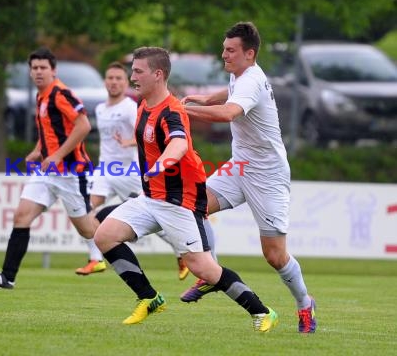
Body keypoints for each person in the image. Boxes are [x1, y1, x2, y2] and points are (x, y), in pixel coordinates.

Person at [94, 46, 278, 332]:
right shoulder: (144, 105)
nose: (132, 77)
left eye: (138, 71)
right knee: (104, 235)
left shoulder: (172, 111)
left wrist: (162, 163)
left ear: (158, 75)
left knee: (204, 269)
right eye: (133, 70)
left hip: (178, 202)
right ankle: (149, 298)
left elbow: (178, 143)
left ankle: (263, 311)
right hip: (151, 197)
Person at [180, 21, 317, 334]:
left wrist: (183, 109)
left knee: (274, 255)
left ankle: (304, 303)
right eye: (224, 48)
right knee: (192, 205)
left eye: (230, 50)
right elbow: (230, 94)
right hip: (239, 167)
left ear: (249, 53)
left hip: (267, 176)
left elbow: (230, 112)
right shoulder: (240, 75)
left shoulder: (252, 80)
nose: (224, 54)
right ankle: (210, 274)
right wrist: (205, 98)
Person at [0, 47, 96, 289]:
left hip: (71, 173)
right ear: (30, 72)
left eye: (44, 68)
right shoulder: (41, 95)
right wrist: (39, 150)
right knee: (21, 216)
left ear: (54, 71)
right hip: (47, 172)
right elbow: (51, 131)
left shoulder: (61, 94)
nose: (39, 72)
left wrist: (58, 155)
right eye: (35, 68)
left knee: (88, 230)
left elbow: (83, 126)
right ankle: (7, 277)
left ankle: (122, 226)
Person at [76, 61, 189, 280]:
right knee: (85, 209)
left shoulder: (130, 107)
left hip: (129, 172)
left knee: (154, 215)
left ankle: (181, 251)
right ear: (105, 81)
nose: (114, 82)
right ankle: (95, 260)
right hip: (106, 171)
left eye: (119, 78)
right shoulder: (100, 108)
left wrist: (129, 143)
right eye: (110, 78)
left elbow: (144, 136)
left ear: (125, 82)